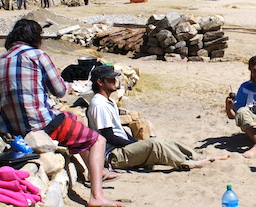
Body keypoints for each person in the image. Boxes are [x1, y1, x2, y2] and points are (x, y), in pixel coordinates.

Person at [0, 19, 123, 207]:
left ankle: (94, 172)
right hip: (40, 123)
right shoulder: (37, 55)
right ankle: (97, 196)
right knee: (98, 141)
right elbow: (59, 90)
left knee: (75, 121)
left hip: (11, 126)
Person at [87, 65, 229, 170]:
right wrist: (134, 145)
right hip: (113, 155)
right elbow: (108, 137)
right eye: (111, 79)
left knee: (160, 141)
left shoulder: (108, 102)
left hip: (120, 149)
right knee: (155, 145)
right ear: (100, 82)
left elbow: (120, 132)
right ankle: (188, 163)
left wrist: (136, 142)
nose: (115, 81)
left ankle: (197, 156)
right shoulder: (99, 105)